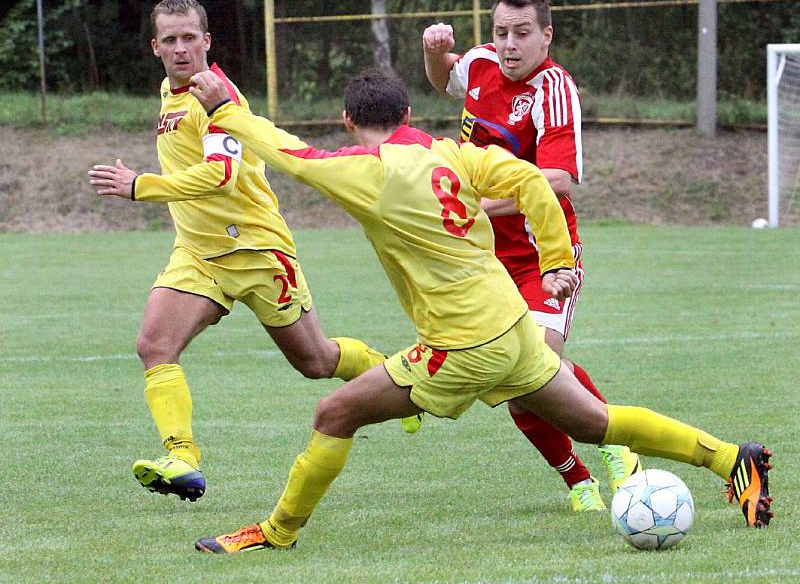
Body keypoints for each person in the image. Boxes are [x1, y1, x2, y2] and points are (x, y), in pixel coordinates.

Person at [184, 68, 772, 553]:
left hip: (459, 347)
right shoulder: (453, 154)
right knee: (596, 422)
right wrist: (555, 263)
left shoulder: (365, 171)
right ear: (410, 114)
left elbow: (291, 154)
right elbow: (533, 182)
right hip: (513, 325)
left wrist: (225, 110)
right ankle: (730, 459)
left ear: (348, 120)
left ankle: (278, 532)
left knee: (335, 412)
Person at [87, 0, 393, 503]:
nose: (181, 49)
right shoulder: (170, 91)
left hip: (255, 251)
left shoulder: (216, 94)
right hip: (199, 255)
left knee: (315, 362)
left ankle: (393, 376)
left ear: (207, 41)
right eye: (171, 40)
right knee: (154, 346)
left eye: (190, 38)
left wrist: (141, 185)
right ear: (155, 47)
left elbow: (223, 175)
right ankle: (182, 457)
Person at [422, 0, 635, 511]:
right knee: (513, 378)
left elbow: (558, 179)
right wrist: (432, 51)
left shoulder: (553, 88)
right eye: (501, 33)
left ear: (546, 35)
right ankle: (578, 482)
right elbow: (443, 77)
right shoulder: (480, 64)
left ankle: (617, 443)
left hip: (546, 255)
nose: (509, 45)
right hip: (485, 259)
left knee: (536, 362)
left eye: (522, 33)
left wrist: (472, 205)